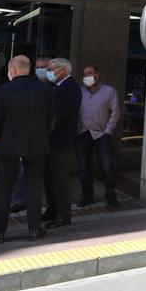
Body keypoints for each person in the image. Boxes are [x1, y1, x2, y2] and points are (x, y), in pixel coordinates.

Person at [0, 55, 53, 242]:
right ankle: (34, 230)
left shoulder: (3, 91)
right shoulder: (45, 90)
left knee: (4, 188)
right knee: (34, 187)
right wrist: (43, 136)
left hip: (7, 146)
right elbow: (52, 119)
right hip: (37, 145)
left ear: (12, 70)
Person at [42, 57, 81, 229]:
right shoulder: (57, 86)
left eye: (51, 69)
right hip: (52, 141)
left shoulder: (70, 88)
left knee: (60, 180)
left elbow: (60, 117)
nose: (48, 72)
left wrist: (44, 131)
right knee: (50, 179)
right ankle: (52, 209)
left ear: (62, 70)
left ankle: (63, 214)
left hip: (62, 141)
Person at [10, 56, 51, 214]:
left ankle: (43, 204)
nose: (41, 70)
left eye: (45, 68)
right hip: (28, 138)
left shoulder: (53, 87)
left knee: (43, 174)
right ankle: (21, 200)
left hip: (45, 137)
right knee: (24, 171)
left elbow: (52, 116)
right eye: (38, 67)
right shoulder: (30, 85)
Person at [76, 65, 120, 208]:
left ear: (97, 75)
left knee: (107, 168)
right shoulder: (80, 91)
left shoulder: (109, 91)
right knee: (84, 168)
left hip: (101, 134)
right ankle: (87, 197)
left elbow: (115, 113)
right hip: (83, 133)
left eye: (89, 73)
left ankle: (111, 196)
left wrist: (107, 131)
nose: (86, 77)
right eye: (84, 74)